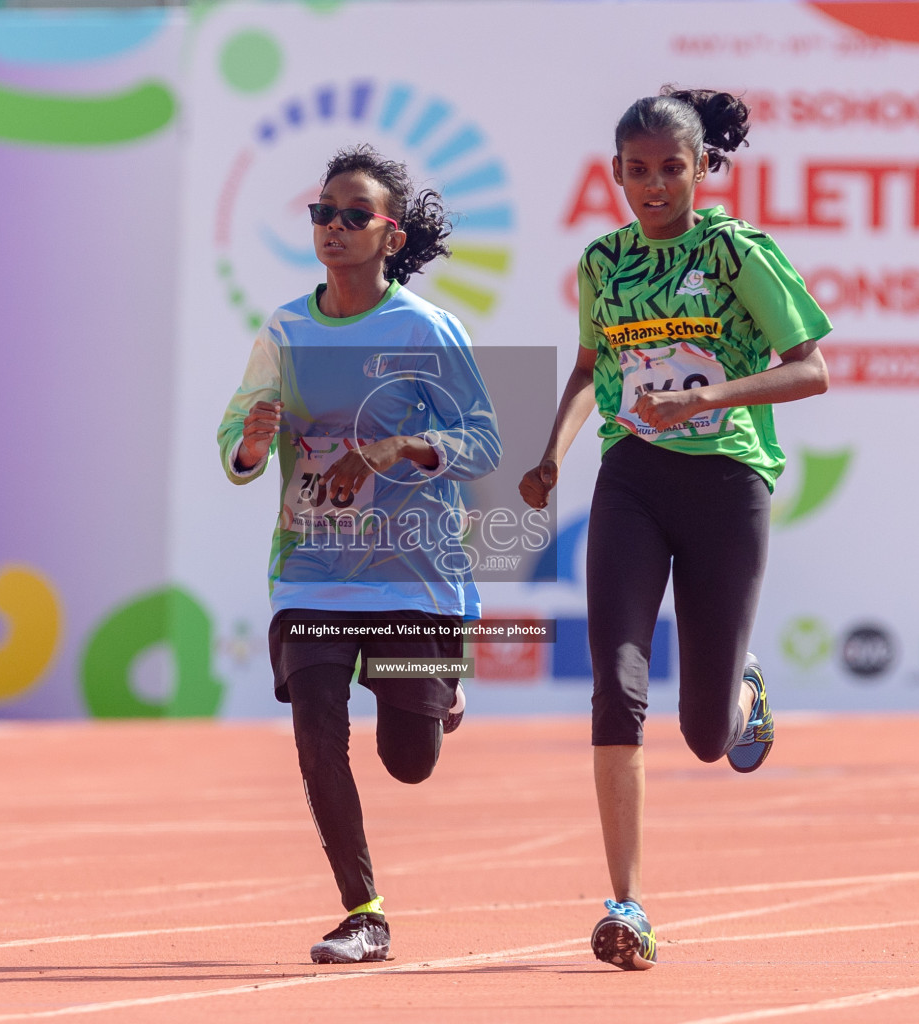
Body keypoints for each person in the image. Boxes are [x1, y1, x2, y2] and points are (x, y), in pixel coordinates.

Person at [519, 87, 831, 971]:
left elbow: (810, 371)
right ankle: (627, 903)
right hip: (632, 480)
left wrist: (709, 396)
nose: (654, 186)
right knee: (616, 686)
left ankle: (742, 694)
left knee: (701, 735)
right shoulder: (602, 262)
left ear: (701, 169)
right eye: (637, 171)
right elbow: (591, 370)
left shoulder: (734, 251)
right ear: (614, 174)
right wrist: (553, 457)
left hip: (727, 480)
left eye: (671, 168)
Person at [218, 145, 500, 965]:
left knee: (409, 762)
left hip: (412, 578)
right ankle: (363, 910)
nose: (333, 228)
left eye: (353, 216)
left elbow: (482, 443)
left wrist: (396, 448)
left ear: (390, 236)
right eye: (321, 213)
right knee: (316, 733)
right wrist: (250, 443)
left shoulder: (427, 329)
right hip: (313, 574)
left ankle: (434, 696)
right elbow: (236, 437)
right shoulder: (286, 328)